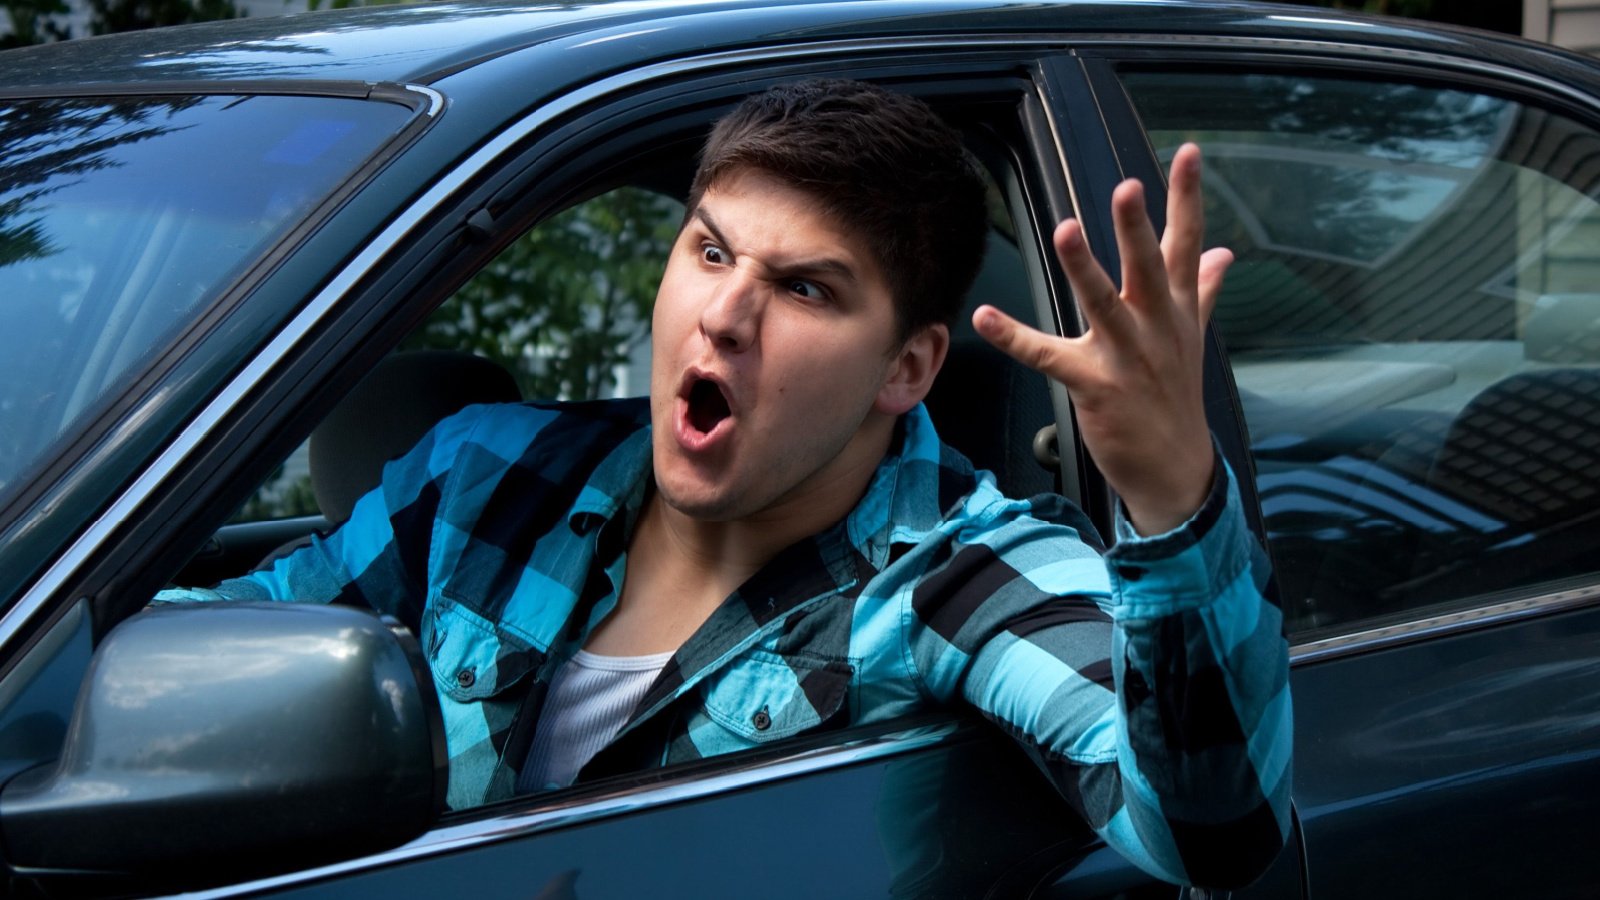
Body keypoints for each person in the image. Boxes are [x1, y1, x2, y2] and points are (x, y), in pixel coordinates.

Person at [156, 80, 1291, 888]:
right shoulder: (481, 474)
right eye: (708, 252)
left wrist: (1170, 498)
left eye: (803, 290)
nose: (724, 315)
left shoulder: (954, 572)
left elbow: (1214, 835)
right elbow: (208, 651)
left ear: (906, 368)